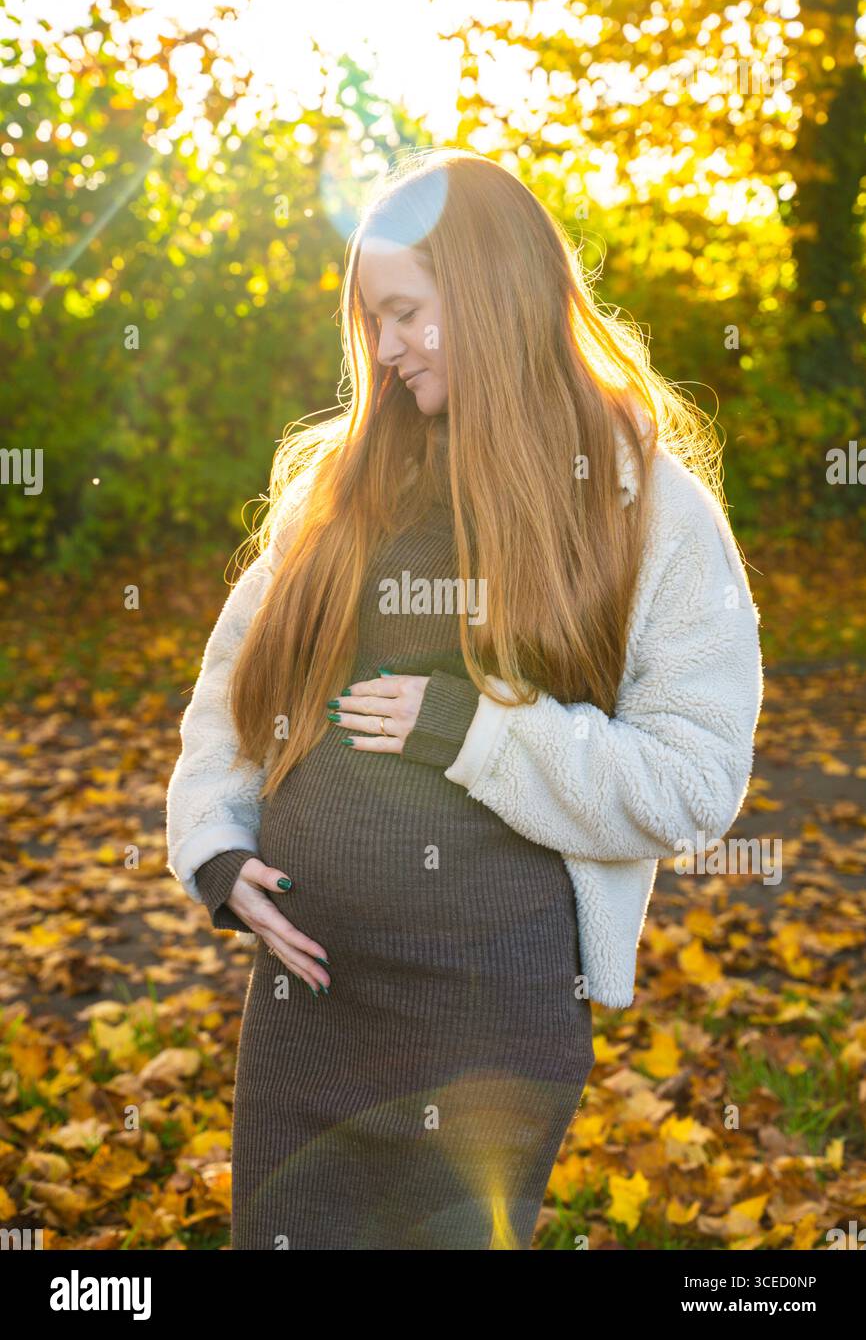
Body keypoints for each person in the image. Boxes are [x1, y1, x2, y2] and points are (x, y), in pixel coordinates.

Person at [165, 146, 763, 1251]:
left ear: (488, 293)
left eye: (403, 315)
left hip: (488, 1020)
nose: (382, 354)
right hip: (308, 1013)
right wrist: (215, 847)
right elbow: (232, 692)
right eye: (370, 324)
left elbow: (693, 783)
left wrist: (479, 734)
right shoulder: (342, 490)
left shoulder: (644, 509)